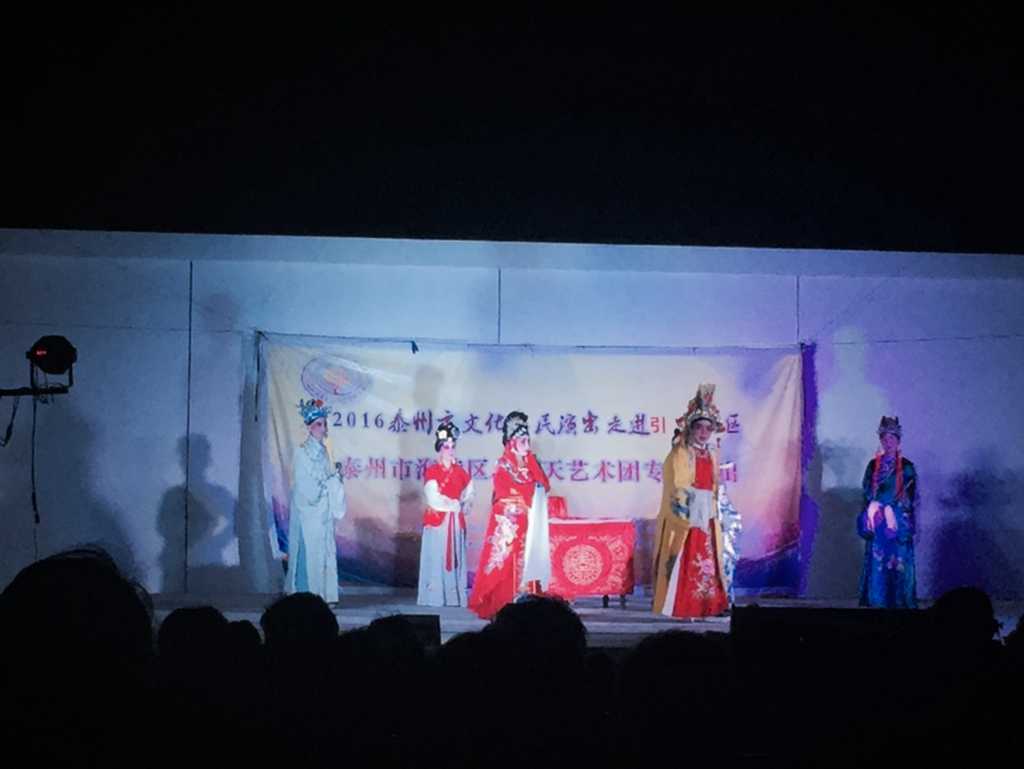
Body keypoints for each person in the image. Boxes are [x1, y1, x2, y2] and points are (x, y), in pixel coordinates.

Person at [652, 384, 729, 619]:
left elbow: (714, 485)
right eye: (699, 427)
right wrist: (694, 504)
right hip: (687, 517)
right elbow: (677, 485)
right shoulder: (680, 453)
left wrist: (714, 506)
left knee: (709, 559)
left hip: (707, 515)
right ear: (691, 428)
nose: (704, 432)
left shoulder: (712, 453)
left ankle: (710, 605)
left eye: (709, 428)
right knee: (688, 558)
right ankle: (685, 606)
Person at [468, 411, 551, 619]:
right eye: (522, 441)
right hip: (508, 521)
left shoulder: (531, 464)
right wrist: (523, 496)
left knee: (527, 560)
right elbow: (503, 492)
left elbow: (544, 484)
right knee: (504, 562)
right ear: (512, 442)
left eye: (527, 440)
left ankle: (526, 605)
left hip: (528, 520)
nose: (526, 444)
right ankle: (501, 603)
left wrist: (530, 460)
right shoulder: (503, 464)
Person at [284, 398, 346, 603]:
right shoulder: (302, 452)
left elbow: (328, 478)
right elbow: (304, 487)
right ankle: (306, 596)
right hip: (309, 513)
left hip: (323, 513)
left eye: (324, 424)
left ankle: (325, 595)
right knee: (309, 552)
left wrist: (336, 479)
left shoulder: (325, 452)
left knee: (325, 552)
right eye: (319, 424)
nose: (323, 428)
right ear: (310, 427)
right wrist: (327, 485)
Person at [857, 416, 917, 608]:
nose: (888, 442)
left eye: (892, 438)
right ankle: (877, 602)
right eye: (884, 438)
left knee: (898, 563)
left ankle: (900, 603)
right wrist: (874, 507)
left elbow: (910, 497)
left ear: (898, 440)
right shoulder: (873, 465)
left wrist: (895, 509)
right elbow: (867, 492)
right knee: (878, 562)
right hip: (878, 521)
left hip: (897, 522)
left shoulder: (906, 467)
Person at [417, 422, 474, 607]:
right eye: (446, 447)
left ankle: (454, 597)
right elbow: (433, 497)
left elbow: (469, 494)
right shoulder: (432, 471)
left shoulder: (462, 473)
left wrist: (465, 504)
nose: (450, 450)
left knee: (455, 559)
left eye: (452, 446)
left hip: (455, 522)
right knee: (436, 558)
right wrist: (454, 504)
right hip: (438, 522)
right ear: (440, 449)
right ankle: (434, 597)